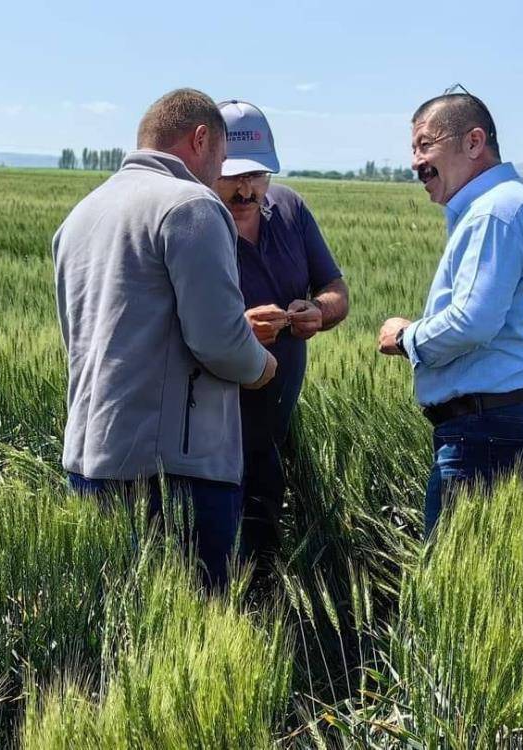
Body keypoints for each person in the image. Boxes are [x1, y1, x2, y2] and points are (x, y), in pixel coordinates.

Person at [52, 88, 277, 589]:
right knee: (193, 629)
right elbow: (218, 339)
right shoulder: (190, 205)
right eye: (221, 157)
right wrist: (262, 365)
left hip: (90, 458)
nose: (222, 174)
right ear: (201, 138)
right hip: (175, 471)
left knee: (121, 629)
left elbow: (79, 337)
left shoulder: (81, 215)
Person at [377, 87, 523, 536]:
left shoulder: (492, 213)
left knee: (449, 583)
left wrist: (406, 338)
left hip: (486, 432)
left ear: (473, 142)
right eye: (413, 149)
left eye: (426, 144)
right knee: (518, 583)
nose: (415, 161)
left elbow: (473, 321)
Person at [214, 100, 349, 578]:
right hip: (213, 433)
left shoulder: (290, 208)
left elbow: (336, 290)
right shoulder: (193, 223)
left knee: (264, 549)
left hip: (274, 425)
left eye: (257, 175)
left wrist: (319, 312)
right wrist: (237, 331)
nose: (246, 189)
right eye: (232, 176)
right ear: (208, 165)